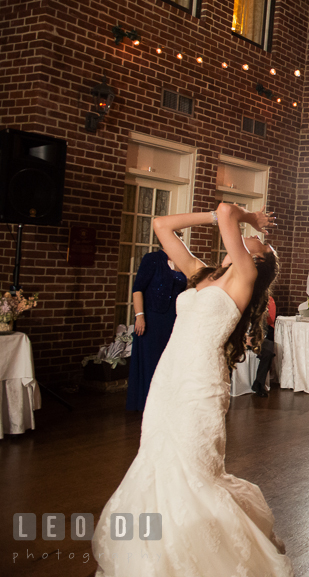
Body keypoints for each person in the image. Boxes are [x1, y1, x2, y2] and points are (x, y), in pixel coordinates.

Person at [92, 202, 291, 576]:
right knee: (157, 456)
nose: (258, 238)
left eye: (264, 244)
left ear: (260, 262)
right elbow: (161, 225)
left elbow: (226, 209)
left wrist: (245, 217)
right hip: (168, 376)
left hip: (201, 379)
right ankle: (155, 550)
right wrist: (220, 219)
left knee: (194, 468)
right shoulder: (204, 276)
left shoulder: (245, 273)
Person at [125, 248, 188, 411]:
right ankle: (149, 403)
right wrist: (140, 316)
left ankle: (166, 402)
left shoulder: (182, 262)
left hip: (174, 320)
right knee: (152, 360)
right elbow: (137, 288)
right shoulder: (152, 259)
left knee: (169, 362)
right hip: (152, 319)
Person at [250, 296, 277, 398]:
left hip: (256, 335)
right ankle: (259, 384)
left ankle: (259, 383)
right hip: (243, 337)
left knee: (269, 349)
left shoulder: (268, 300)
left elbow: (269, 321)